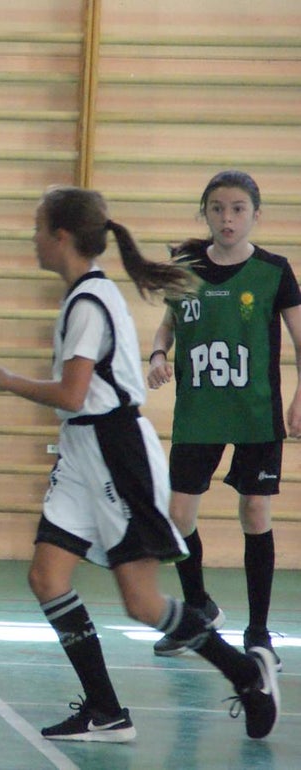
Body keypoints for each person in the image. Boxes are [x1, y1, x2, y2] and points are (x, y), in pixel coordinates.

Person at [0, 186, 279, 741]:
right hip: (81, 449)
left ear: (61, 237)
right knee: (46, 578)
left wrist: (9, 382)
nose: (34, 240)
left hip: (116, 453)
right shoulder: (81, 296)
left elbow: (73, 394)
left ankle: (244, 674)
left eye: (39, 229)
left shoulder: (90, 303)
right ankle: (105, 710)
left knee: (141, 603)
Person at [146, 171, 301, 669]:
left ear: (255, 214)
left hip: (255, 412)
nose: (227, 218)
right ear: (205, 214)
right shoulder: (186, 269)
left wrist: (299, 399)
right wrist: (157, 354)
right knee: (179, 517)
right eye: (217, 208)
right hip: (199, 412)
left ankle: (258, 632)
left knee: (254, 512)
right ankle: (199, 608)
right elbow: (168, 325)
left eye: (237, 209)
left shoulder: (274, 271)